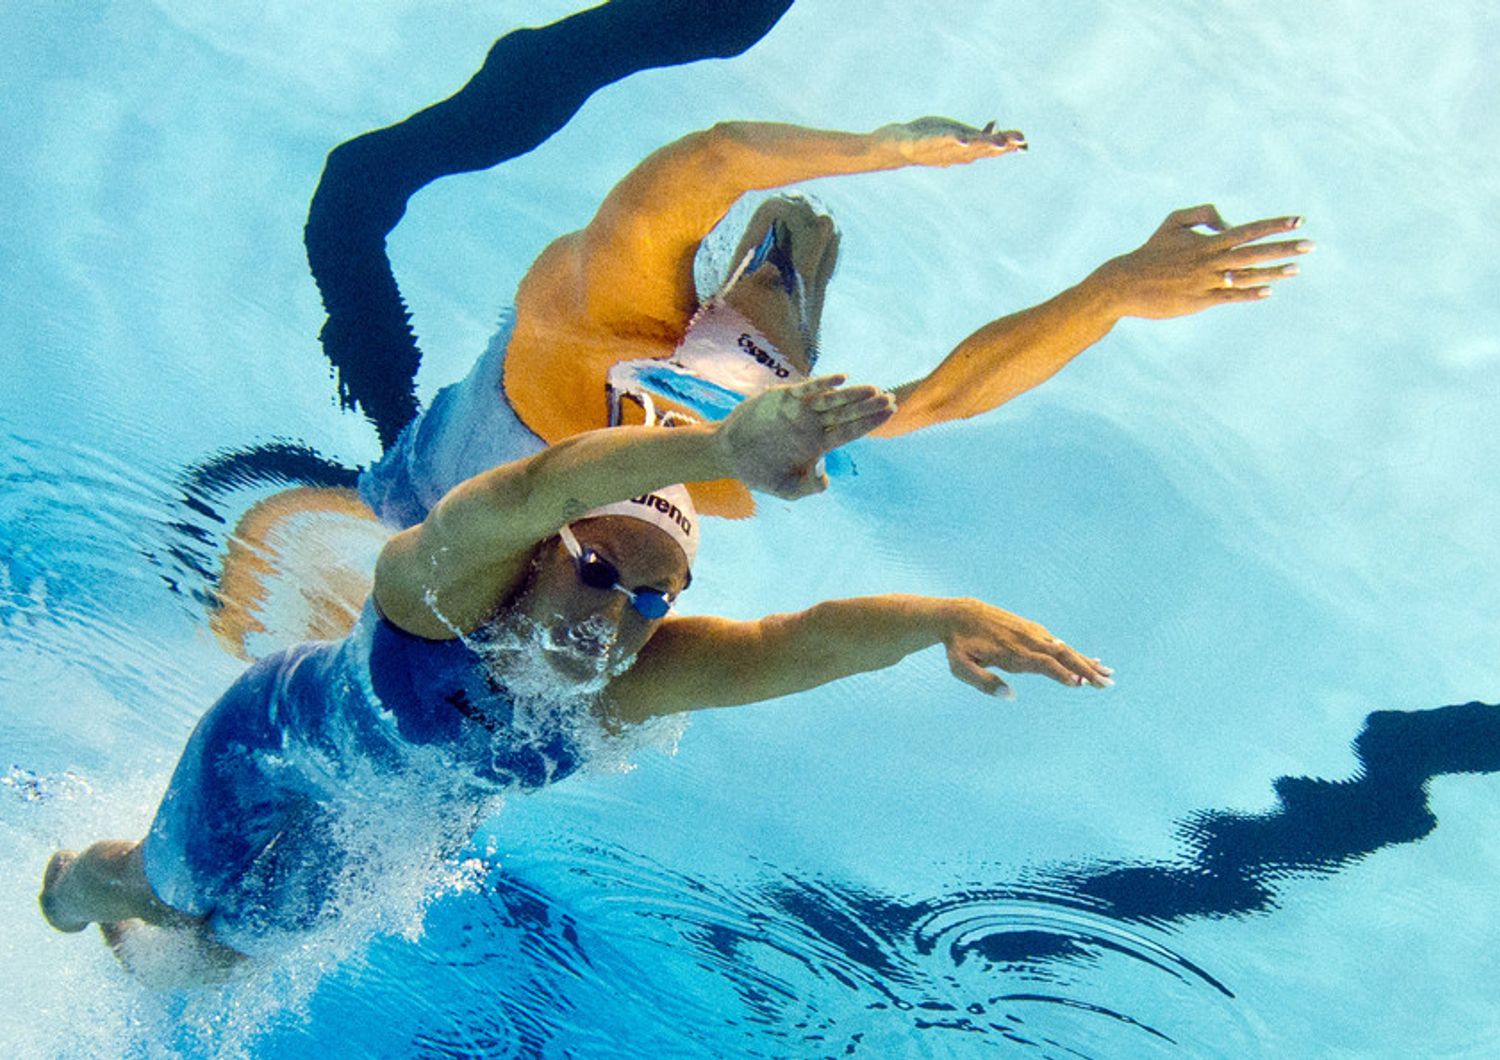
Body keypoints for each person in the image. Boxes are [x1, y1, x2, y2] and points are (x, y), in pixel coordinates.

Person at [209, 0, 1311, 653]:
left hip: (504, 573)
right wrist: (896, 150)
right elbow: (725, 165)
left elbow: (928, 394)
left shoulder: (679, 388)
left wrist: (1114, 286)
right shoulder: (617, 334)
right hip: (412, 530)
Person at [39, 374, 1112, 964]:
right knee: (168, 891)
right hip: (270, 750)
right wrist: (715, 452)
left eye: (654, 597)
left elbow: (799, 642)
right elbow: (532, 486)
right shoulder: (442, 597)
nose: (617, 615)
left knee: (241, 948)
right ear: (549, 551)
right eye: (600, 571)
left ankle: (145, 962)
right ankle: (70, 889)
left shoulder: (627, 683)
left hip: (384, 827)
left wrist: (944, 618)